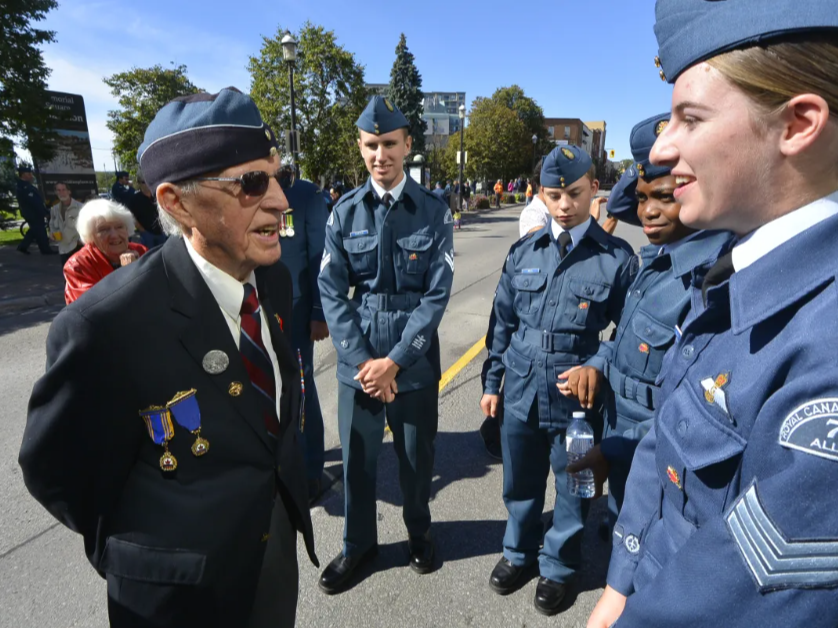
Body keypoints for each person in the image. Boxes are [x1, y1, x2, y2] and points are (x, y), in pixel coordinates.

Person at [20, 87, 317, 628]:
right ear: (177, 202)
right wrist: (150, 552)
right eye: (252, 183)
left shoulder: (272, 277)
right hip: (177, 599)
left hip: (272, 561)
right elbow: (56, 474)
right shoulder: (104, 325)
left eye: (280, 177)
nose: (280, 200)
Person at [587, 3, 838, 627]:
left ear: (798, 123)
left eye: (688, 118)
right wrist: (621, 582)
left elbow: (747, 601)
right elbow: (667, 438)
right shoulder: (737, 267)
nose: (663, 148)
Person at [480, 145, 637, 616]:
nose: (565, 205)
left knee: (577, 485)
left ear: (593, 188)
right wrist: (492, 383)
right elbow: (501, 324)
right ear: (541, 197)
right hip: (523, 390)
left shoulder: (616, 258)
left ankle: (561, 567)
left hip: (578, 397)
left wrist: (601, 362)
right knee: (520, 481)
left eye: (574, 192)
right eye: (554, 195)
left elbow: (627, 332)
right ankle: (518, 552)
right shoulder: (524, 251)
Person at [558, 113, 733, 529]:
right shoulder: (659, 260)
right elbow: (623, 340)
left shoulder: (710, 280)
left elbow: (695, 407)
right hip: (619, 428)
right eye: (643, 197)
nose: (647, 213)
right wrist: (598, 365)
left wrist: (613, 450)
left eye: (665, 196)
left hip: (656, 452)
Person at [318, 95, 454, 594]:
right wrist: (364, 364)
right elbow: (331, 291)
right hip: (359, 362)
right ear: (361, 147)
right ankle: (359, 546)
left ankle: (419, 533)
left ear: (407, 145)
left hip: (412, 362)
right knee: (357, 463)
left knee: (417, 463)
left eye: (390, 144)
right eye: (372, 145)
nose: (381, 155)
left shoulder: (433, 212)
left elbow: (436, 295)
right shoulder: (343, 213)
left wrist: (394, 362)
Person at [277, 165, 331, 502]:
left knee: (300, 387)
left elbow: (320, 257)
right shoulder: (243, 190)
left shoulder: (305, 195)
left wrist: (319, 311)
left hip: (296, 312)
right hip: (254, 307)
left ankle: (311, 469)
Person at [63, 199, 147, 304]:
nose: (114, 235)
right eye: (103, 229)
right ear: (90, 236)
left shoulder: (141, 250)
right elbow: (95, 308)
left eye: (119, 227)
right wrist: (127, 273)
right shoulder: (78, 264)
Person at [15, 166, 56, 256]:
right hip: (33, 214)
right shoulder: (24, 187)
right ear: (23, 175)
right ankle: (45, 249)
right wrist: (44, 213)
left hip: (33, 213)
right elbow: (35, 203)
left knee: (34, 230)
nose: (31, 175)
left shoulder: (25, 185)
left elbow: (37, 201)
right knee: (40, 230)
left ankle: (22, 246)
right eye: (29, 174)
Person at [125, 171, 168, 249]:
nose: (148, 184)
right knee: (151, 257)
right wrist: (142, 230)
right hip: (147, 234)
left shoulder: (157, 195)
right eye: (144, 182)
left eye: (150, 181)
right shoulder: (135, 199)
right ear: (139, 183)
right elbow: (131, 216)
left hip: (162, 232)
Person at [49, 182, 84, 264]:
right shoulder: (54, 209)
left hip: (78, 248)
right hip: (63, 249)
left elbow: (89, 226)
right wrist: (52, 233)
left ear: (69, 191)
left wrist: (80, 241)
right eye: (59, 190)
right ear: (56, 192)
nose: (61, 193)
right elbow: (52, 225)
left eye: (64, 190)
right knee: (67, 275)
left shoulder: (81, 207)